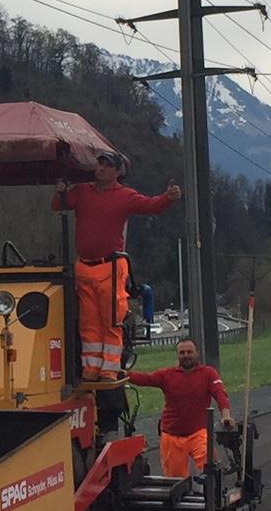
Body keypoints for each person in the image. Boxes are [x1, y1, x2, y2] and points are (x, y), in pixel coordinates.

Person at [53, 151, 180, 380]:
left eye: (106, 165)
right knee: (88, 322)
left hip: (110, 267)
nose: (100, 168)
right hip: (85, 266)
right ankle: (90, 368)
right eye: (99, 164)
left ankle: (110, 368)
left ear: (117, 172)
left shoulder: (125, 196)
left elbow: (151, 206)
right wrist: (60, 192)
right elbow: (58, 205)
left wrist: (168, 198)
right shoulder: (82, 192)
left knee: (111, 320)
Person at [128, 339, 235, 477]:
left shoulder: (208, 373)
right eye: (182, 352)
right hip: (172, 435)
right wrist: (123, 375)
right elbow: (145, 378)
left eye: (189, 352)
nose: (186, 355)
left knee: (209, 468)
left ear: (197, 353)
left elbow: (220, 394)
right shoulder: (167, 375)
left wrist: (226, 416)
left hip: (198, 433)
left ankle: (206, 495)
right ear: (178, 355)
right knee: (175, 481)